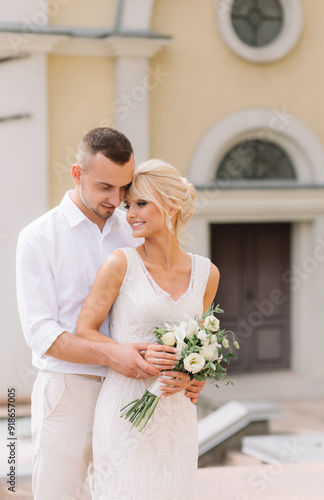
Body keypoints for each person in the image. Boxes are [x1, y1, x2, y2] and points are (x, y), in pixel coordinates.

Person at [16, 128, 204, 500]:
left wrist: (190, 370)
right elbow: (40, 333)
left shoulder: (135, 229)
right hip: (68, 390)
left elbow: (169, 305)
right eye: (105, 187)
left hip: (134, 394)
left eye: (124, 189)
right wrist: (114, 353)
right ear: (77, 174)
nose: (117, 199)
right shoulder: (38, 237)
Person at [76, 159, 220, 500]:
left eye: (141, 203)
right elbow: (85, 330)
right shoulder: (120, 263)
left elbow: (201, 346)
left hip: (177, 416)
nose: (130, 214)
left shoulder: (206, 273)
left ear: (171, 206)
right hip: (124, 410)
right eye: (129, 206)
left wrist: (195, 377)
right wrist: (125, 352)